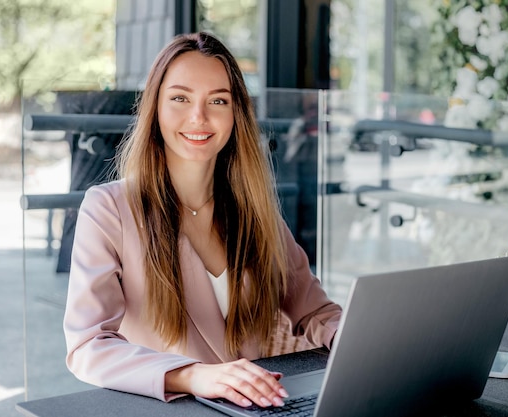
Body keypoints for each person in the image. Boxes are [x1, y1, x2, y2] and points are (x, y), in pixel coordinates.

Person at [63, 32, 342, 409]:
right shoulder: (109, 209)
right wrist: (193, 374)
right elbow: (87, 346)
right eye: (180, 98)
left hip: (256, 406)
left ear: (235, 113)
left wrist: (354, 339)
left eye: (218, 100)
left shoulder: (255, 210)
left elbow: (316, 311)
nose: (199, 117)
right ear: (155, 108)